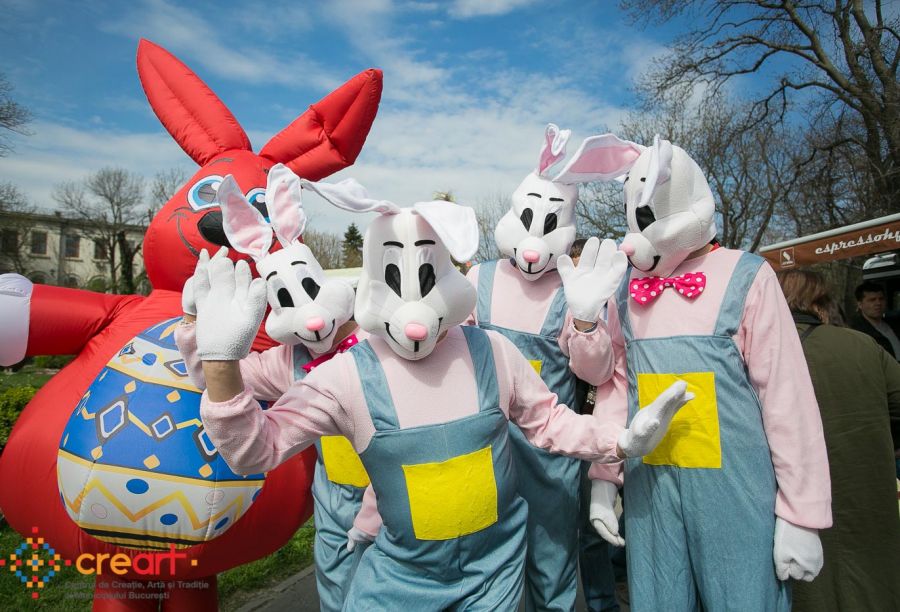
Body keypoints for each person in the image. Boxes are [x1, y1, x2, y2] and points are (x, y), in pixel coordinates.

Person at [192, 181, 691, 610]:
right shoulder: (346, 375)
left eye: (427, 279)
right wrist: (219, 363)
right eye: (394, 281)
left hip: (494, 577)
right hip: (399, 583)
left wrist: (620, 441)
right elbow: (255, 449)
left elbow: (551, 422)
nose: (414, 321)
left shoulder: (492, 351)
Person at [777, 269, 900, 612]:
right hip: (866, 497)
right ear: (821, 302)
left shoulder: (759, 350)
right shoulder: (861, 344)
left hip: (795, 505)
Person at [570, 238, 626, 612]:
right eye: (576, 268)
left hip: (626, 425)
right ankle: (602, 601)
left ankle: (618, 577)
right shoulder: (566, 314)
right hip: (582, 430)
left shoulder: (622, 306)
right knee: (589, 530)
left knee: (634, 516)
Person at [851, 281, 900, 359]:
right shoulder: (857, 332)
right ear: (860, 304)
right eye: (872, 300)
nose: (878, 303)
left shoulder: (894, 324)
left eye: (881, 299)